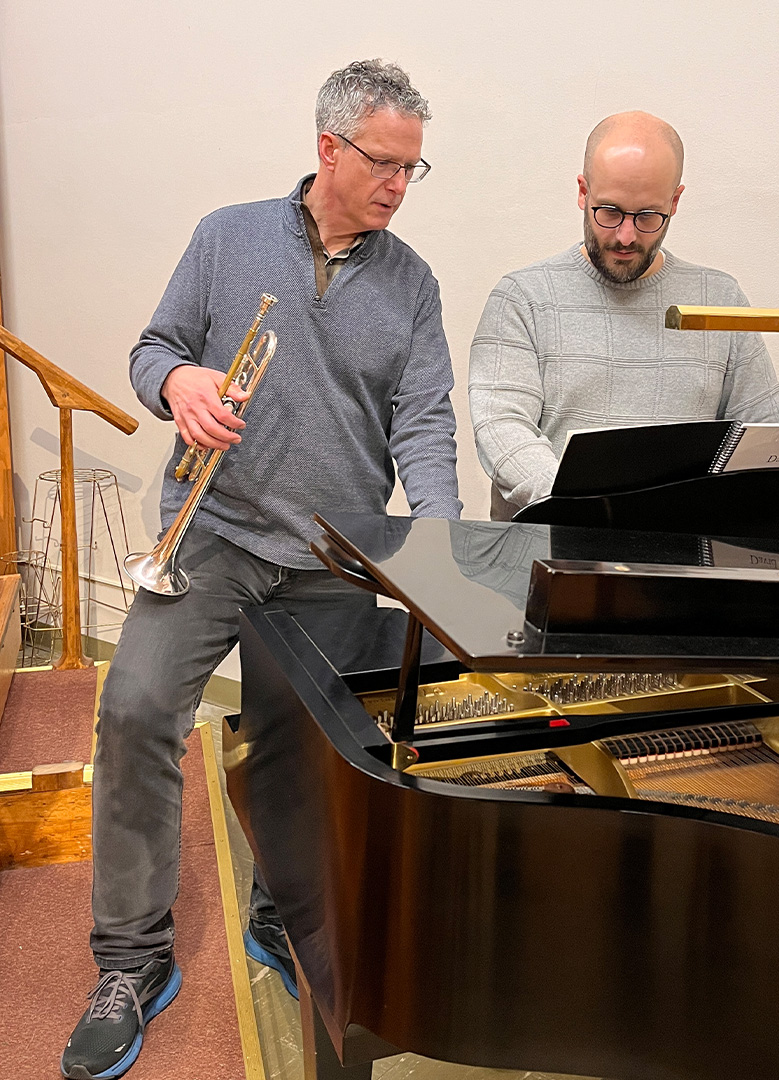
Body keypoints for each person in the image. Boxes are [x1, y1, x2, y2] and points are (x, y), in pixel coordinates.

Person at [61, 59, 461, 1080]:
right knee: (136, 714)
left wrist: (446, 548)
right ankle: (131, 961)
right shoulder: (226, 235)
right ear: (328, 148)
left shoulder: (413, 284)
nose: (400, 186)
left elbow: (422, 424)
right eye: (385, 164)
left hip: (331, 559)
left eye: (416, 170)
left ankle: (282, 920)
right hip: (211, 538)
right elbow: (153, 351)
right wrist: (181, 380)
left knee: (311, 760)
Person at [469, 111, 779, 520]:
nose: (626, 236)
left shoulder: (718, 299)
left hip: (683, 560)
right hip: (553, 547)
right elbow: (503, 429)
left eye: (648, 217)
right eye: (610, 212)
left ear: (674, 202)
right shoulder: (524, 297)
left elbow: (767, 437)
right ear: (583, 193)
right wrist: (591, 508)